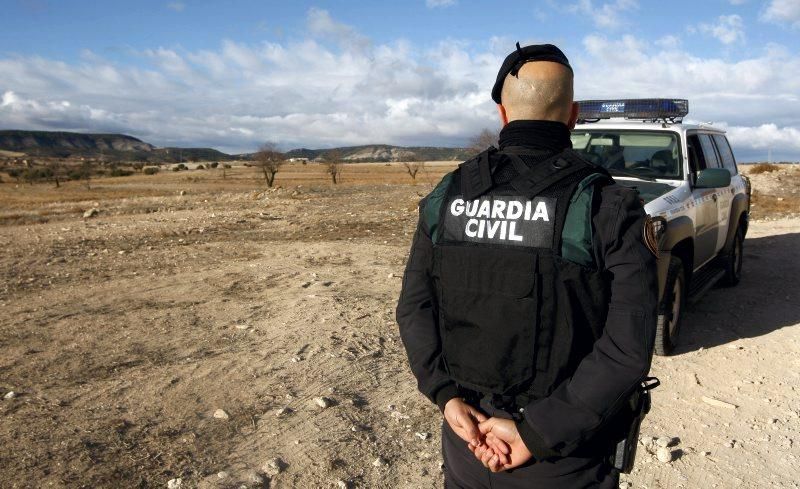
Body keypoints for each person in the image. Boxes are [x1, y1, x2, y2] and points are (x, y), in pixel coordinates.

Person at [395, 43, 658, 488]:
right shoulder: (605, 204)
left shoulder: (450, 193)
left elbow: (414, 308)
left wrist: (447, 397)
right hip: (564, 452)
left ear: (503, 114)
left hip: (467, 442)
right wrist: (537, 433)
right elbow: (626, 349)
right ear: (573, 115)